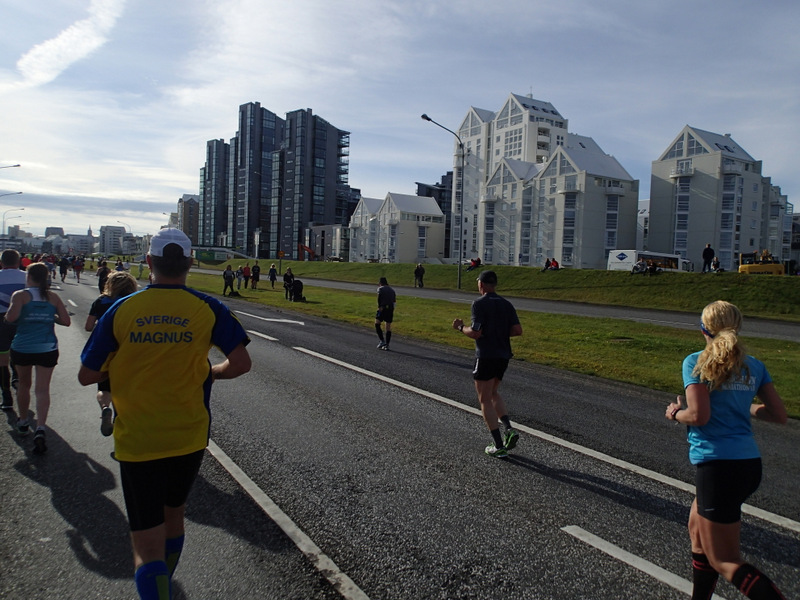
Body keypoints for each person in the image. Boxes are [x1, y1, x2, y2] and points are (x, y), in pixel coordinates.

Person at [78, 227, 251, 600]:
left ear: (148, 262)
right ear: (190, 262)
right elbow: (240, 362)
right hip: (189, 436)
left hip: (139, 438)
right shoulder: (209, 308)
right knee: (174, 516)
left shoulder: (122, 309)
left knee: (145, 546)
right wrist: (211, 372)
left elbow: (87, 374)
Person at [664, 300, 787, 600]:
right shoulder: (753, 365)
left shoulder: (696, 361)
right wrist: (745, 407)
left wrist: (674, 413)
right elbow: (778, 415)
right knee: (697, 529)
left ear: (703, 329)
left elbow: (698, 416)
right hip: (747, 464)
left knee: (726, 560)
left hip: (718, 467)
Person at [452, 270, 523, 458]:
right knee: (493, 393)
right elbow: (517, 330)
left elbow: (476, 333)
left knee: (484, 399)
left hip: (486, 355)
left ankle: (498, 444)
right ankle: (508, 429)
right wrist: (499, 331)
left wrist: (460, 327)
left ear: (481, 285)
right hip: (503, 355)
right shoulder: (506, 304)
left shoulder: (479, 304)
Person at [5, 262, 71, 454]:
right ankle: (41, 427)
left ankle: (24, 422)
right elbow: (66, 321)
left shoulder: (20, 296)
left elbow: (11, 318)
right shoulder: (53, 297)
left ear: (29, 276)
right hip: (47, 347)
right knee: (42, 389)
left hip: (23, 347)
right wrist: (52, 318)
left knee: (24, 385)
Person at [84, 271, 138, 436]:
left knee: (104, 387)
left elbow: (88, 326)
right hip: (128, 349)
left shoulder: (101, 302)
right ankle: (121, 420)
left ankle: (105, 408)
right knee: (125, 388)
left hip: (106, 350)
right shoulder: (134, 302)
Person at [0, 250, 27, 410]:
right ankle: (17, 378)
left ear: (2, 262)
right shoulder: (27, 277)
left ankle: (6, 398)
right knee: (19, 356)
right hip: (22, 320)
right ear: (19, 262)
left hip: (1, 321)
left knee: (2, 361)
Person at [375, 277, 396, 350]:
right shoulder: (392, 290)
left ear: (380, 283)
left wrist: (379, 307)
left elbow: (379, 298)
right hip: (390, 308)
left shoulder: (380, 289)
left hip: (382, 308)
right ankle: (387, 344)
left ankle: (382, 340)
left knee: (377, 323)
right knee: (388, 326)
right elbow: (394, 301)